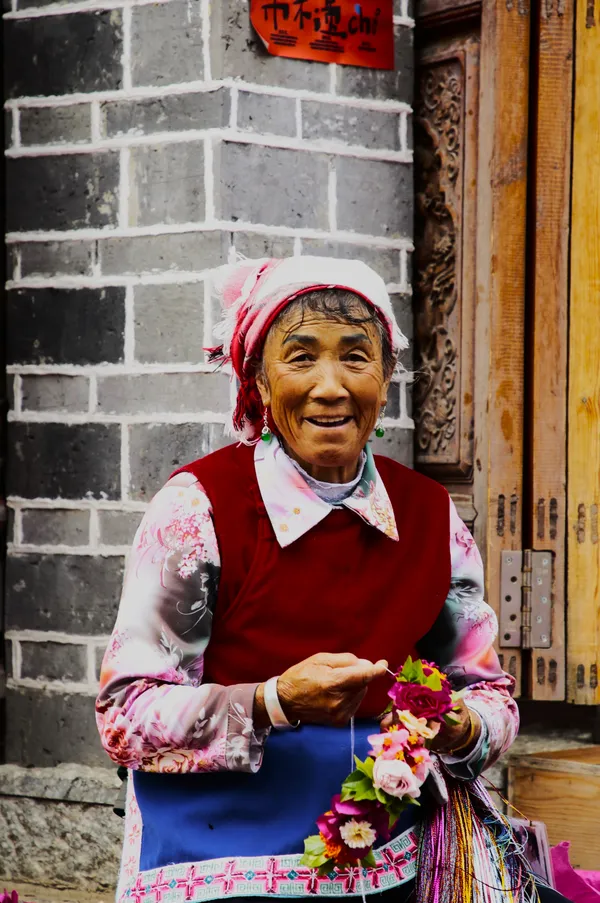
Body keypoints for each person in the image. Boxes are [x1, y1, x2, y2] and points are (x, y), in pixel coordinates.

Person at [96, 257, 571, 903]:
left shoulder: (432, 515)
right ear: (258, 381)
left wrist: (461, 724)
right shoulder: (197, 508)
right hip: (219, 866)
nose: (330, 386)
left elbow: (489, 693)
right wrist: (273, 701)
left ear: (386, 376)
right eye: (299, 357)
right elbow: (126, 716)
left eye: (355, 356)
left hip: (391, 865)